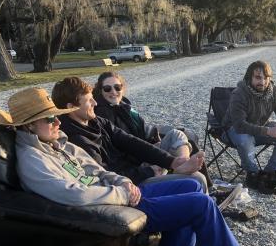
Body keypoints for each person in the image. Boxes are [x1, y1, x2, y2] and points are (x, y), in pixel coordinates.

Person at [0, 87, 276, 246]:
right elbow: (74, 195)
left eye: (57, 117)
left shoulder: (60, 143)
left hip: (117, 196)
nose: (58, 122)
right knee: (202, 204)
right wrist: (121, 194)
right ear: (29, 126)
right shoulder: (33, 160)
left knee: (192, 183)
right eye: (50, 119)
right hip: (107, 210)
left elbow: (96, 169)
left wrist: (123, 182)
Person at [51, 77, 207, 189]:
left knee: (190, 168)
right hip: (130, 184)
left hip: (137, 171)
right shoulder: (76, 140)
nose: (95, 103)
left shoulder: (96, 121)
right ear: (71, 107)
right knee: (196, 179)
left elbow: (130, 141)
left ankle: (184, 171)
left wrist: (172, 162)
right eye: (88, 101)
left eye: (93, 98)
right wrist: (148, 171)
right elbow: (103, 175)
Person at [223, 60, 276, 192]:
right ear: (249, 77)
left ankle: (272, 170)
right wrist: (268, 131)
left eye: (266, 77)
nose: (262, 82)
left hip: (259, 129)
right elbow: (239, 125)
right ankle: (252, 173)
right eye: (257, 77)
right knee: (244, 138)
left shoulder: (274, 92)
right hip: (232, 132)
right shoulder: (239, 94)